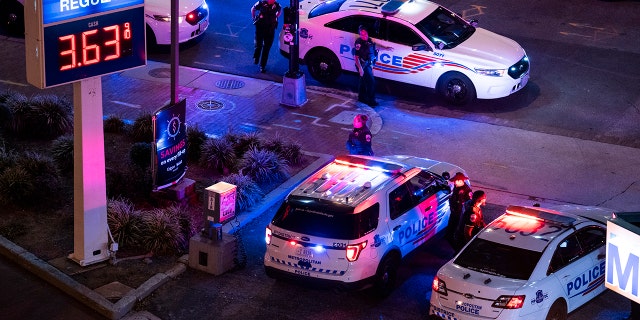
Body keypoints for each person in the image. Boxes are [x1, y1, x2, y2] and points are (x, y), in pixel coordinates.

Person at [353, 25, 392, 107]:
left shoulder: (369, 40)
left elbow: (375, 46)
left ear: (367, 33)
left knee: (363, 82)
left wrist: (385, 48)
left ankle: (361, 97)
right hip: (363, 65)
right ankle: (371, 101)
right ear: (359, 34)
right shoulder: (358, 43)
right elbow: (356, 57)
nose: (364, 36)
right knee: (371, 82)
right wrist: (360, 69)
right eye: (362, 34)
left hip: (368, 64)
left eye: (365, 34)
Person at [251, 0, 281, 73]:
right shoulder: (261, 3)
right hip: (260, 27)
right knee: (259, 45)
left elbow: (280, 10)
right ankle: (256, 57)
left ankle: (262, 66)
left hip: (270, 28)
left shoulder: (276, 5)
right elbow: (253, 9)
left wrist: (275, 16)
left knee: (267, 48)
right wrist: (254, 17)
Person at [446, 172, 472, 248]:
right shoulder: (456, 187)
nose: (454, 182)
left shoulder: (467, 191)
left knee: (455, 234)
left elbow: (468, 205)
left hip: (460, 215)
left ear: (460, 181)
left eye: (455, 181)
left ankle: (457, 250)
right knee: (449, 234)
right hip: (454, 213)